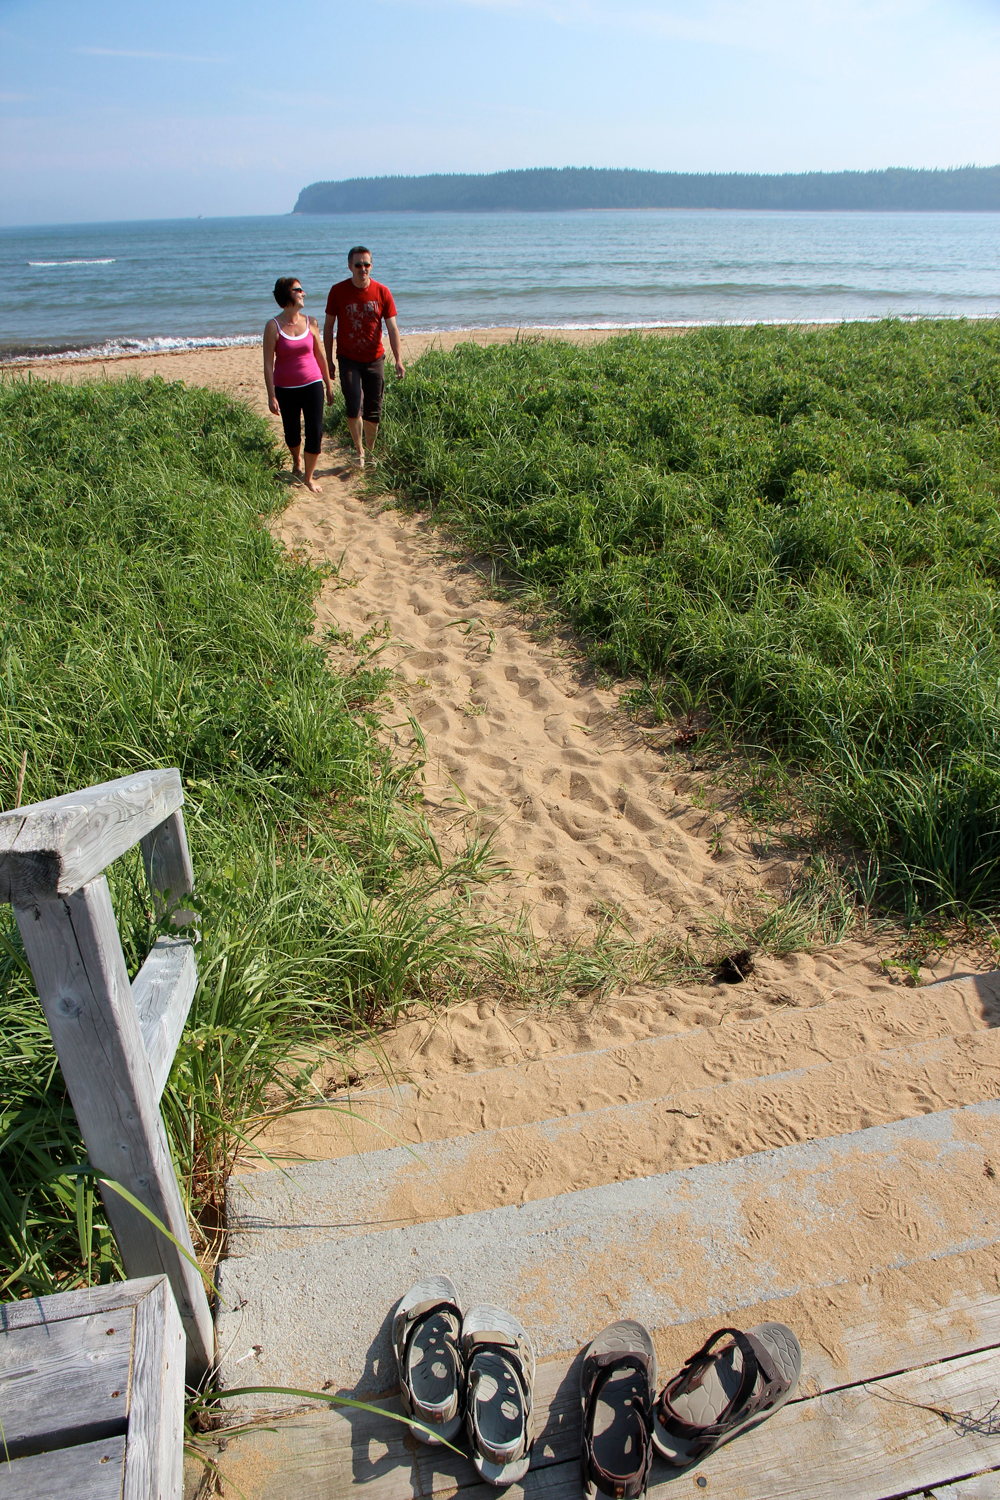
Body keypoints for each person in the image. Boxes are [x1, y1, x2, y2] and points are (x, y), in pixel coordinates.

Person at [324, 247, 405, 469]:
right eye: (358, 264)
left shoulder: (382, 292)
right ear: (350, 266)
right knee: (353, 405)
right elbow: (329, 327)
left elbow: (393, 328)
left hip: (375, 358)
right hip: (348, 358)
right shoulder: (337, 291)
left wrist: (398, 359)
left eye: (366, 264)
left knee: (373, 409)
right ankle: (359, 451)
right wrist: (329, 360)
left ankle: (370, 453)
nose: (362, 269)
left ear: (371, 266)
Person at [264, 276, 333, 495]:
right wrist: (271, 395)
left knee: (315, 431)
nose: (303, 293)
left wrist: (328, 385)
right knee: (291, 433)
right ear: (287, 295)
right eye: (298, 290)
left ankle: (309, 478)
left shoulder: (311, 322)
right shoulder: (273, 326)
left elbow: (320, 355)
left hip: (312, 384)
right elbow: (268, 364)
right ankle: (296, 460)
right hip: (285, 388)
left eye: (302, 289)